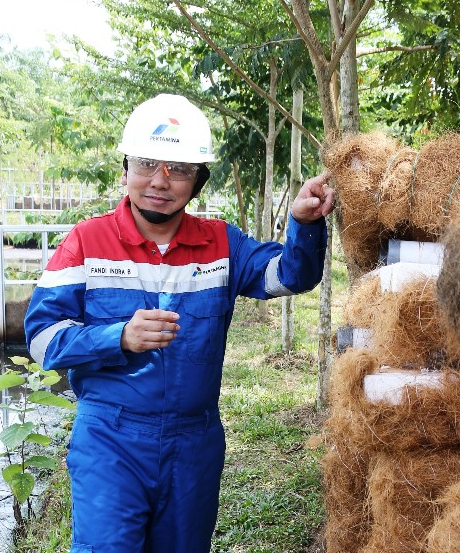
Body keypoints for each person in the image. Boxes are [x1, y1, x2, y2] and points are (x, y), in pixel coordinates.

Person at [24, 93, 335, 553]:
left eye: (180, 169)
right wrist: (119, 337)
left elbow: (291, 275)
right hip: (110, 441)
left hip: (194, 443)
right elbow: (41, 339)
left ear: (198, 181)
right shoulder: (86, 241)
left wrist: (303, 223)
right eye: (148, 163)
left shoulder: (221, 244)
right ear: (125, 168)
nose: (160, 181)